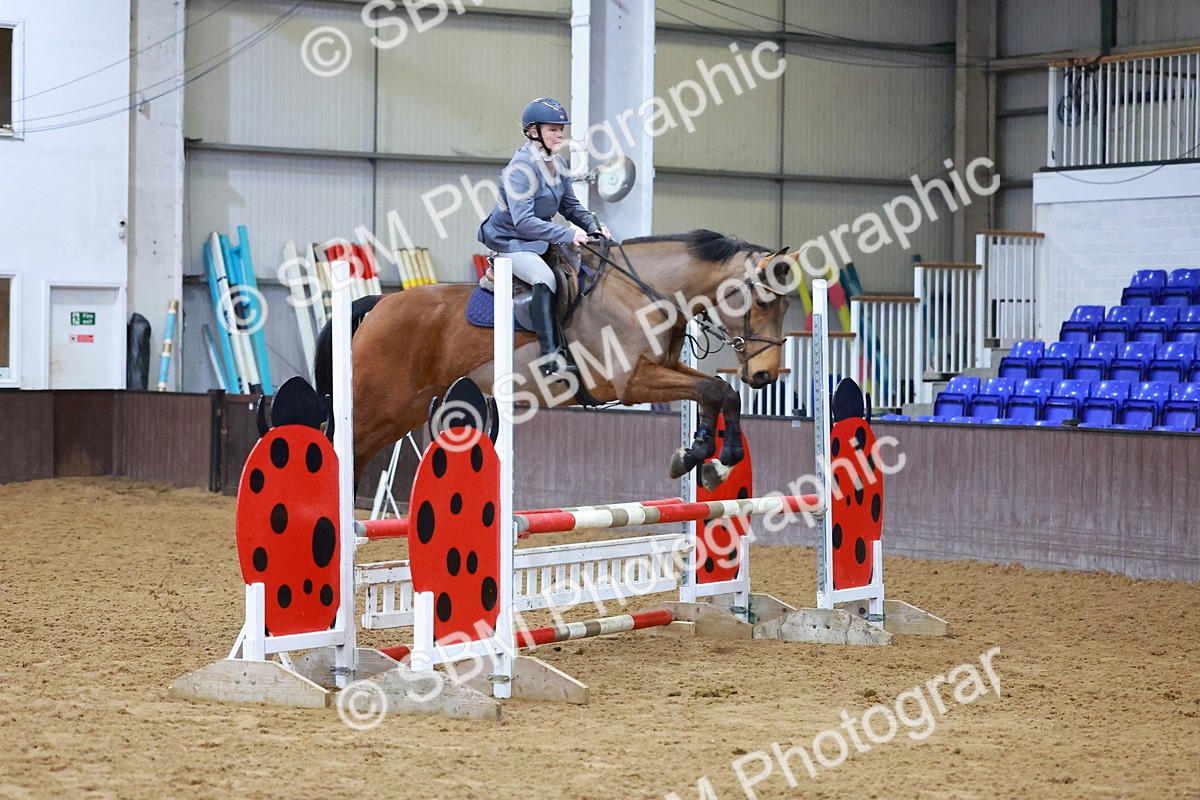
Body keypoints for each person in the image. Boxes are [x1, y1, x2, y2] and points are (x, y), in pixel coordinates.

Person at [478, 97, 611, 375]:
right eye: (553, 129)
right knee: (545, 278)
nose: (560, 134)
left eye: (561, 129)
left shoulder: (558, 164)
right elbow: (524, 222)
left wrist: (593, 227)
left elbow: (570, 206)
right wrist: (566, 234)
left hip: (540, 239)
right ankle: (550, 356)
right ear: (533, 131)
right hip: (511, 241)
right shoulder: (519, 170)